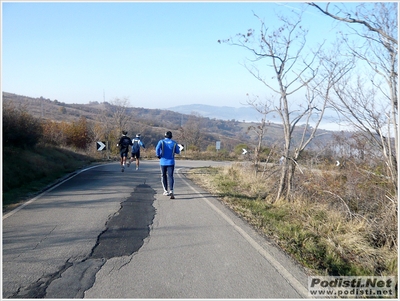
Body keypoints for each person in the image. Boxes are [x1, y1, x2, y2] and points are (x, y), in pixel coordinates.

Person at [155, 131, 180, 199]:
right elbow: (178, 151)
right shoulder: (174, 143)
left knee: (163, 175)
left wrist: (158, 155)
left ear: (165, 136)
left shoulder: (161, 142)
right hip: (171, 162)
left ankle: (166, 191)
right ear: (171, 136)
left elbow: (157, 149)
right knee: (170, 176)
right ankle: (171, 190)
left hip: (163, 161)